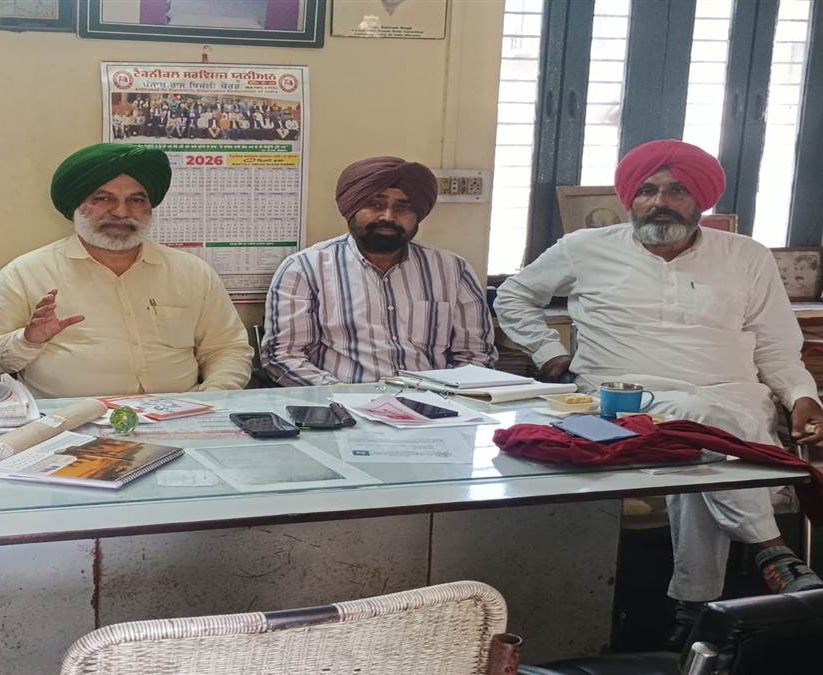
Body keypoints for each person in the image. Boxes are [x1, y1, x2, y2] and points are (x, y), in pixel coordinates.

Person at [494, 138, 823, 647]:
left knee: (700, 441)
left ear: (700, 201)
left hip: (733, 402)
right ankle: (770, 551)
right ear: (630, 198)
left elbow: (777, 345)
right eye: (647, 190)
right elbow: (514, 295)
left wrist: (803, 395)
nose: (659, 202)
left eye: (677, 191)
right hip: (622, 405)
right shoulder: (586, 248)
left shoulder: (746, 256)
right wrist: (547, 351)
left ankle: (693, 608)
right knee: (701, 425)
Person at [0, 143, 252, 398]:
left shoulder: (192, 272)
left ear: (149, 208)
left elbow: (228, 349)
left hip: (181, 418)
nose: (121, 212)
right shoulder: (27, 272)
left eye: (136, 200)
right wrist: (27, 340)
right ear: (77, 206)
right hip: (69, 423)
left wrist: (213, 398)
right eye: (103, 199)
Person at [261, 156, 497, 385]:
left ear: (417, 215)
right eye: (375, 204)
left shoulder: (452, 270)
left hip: (435, 402)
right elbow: (284, 355)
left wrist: (444, 396)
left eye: (403, 207)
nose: (388, 216)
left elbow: (476, 355)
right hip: (338, 402)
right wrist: (342, 396)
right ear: (352, 207)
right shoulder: (305, 270)